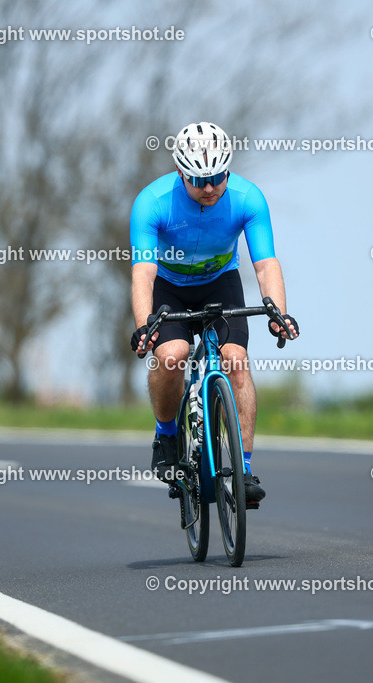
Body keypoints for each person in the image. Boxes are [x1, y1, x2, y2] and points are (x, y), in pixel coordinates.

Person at [129, 121, 298, 507]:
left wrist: (279, 313)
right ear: (180, 173)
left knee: (236, 361)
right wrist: (144, 327)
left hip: (220, 283)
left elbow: (265, 264)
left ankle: (244, 470)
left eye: (217, 177)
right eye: (199, 180)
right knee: (171, 357)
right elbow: (144, 272)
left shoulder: (247, 198)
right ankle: (166, 433)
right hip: (168, 287)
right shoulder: (152, 202)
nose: (209, 188)